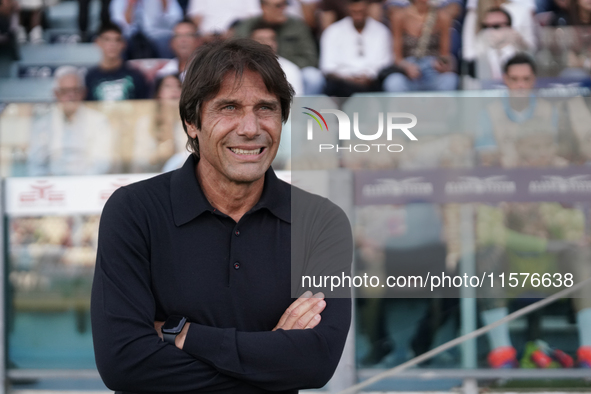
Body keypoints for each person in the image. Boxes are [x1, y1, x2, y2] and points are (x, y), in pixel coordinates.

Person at [91, 38, 353, 393]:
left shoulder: (321, 221)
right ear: (191, 123)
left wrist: (182, 334)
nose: (249, 127)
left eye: (266, 108)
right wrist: (270, 358)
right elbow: (124, 363)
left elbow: (316, 363)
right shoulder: (134, 211)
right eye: (228, 108)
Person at [27, 66, 114, 176]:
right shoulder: (42, 124)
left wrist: (78, 185)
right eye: (65, 91)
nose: (71, 96)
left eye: (75, 90)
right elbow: (36, 164)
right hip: (53, 187)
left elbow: (102, 163)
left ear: (83, 92)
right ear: (56, 94)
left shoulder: (99, 121)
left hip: (88, 184)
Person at [233, 0, 325, 95]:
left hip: (293, 69)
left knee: (313, 77)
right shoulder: (247, 25)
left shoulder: (297, 25)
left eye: (285, 4)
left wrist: (279, 62)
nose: (283, 8)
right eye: (278, 6)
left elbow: (310, 58)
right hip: (254, 65)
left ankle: (305, 108)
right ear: (264, 7)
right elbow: (236, 51)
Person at [319, 0, 393, 96]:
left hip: (372, 83)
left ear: (367, 9)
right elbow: (327, 67)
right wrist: (349, 79)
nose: (358, 16)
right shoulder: (333, 31)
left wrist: (367, 76)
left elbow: (385, 63)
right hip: (341, 84)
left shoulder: (381, 31)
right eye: (354, 12)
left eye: (361, 11)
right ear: (348, 10)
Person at [383, 0, 458, 92]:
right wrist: (407, 67)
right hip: (408, 71)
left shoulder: (443, 17)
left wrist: (441, 63)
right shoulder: (399, 16)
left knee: (450, 79)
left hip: (432, 70)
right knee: (393, 83)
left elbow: (445, 54)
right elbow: (397, 57)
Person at [85, 23, 150, 101]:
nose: (112, 44)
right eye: (107, 39)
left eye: (117, 40)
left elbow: (144, 106)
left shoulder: (136, 76)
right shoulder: (90, 77)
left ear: (124, 44)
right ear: (97, 42)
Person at [109, 0, 183, 58]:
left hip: (158, 36)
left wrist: (163, 3)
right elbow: (119, 27)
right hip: (131, 37)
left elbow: (176, 21)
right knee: (119, 43)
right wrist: (130, 4)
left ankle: (166, 73)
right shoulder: (118, 1)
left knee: (165, 42)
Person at [473, 7, 530, 79]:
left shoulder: (523, 54)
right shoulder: (479, 57)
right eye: (485, 26)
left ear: (509, 27)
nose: (489, 31)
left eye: (496, 26)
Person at [250, 21, 304, 95]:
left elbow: (296, 101)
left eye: (272, 39)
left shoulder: (290, 69)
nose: (268, 43)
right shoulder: (240, 67)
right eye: (261, 40)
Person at [187, 0, 260, 40]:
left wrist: (235, 31)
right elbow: (196, 16)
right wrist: (204, 33)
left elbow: (254, 15)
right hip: (207, 38)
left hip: (239, 34)